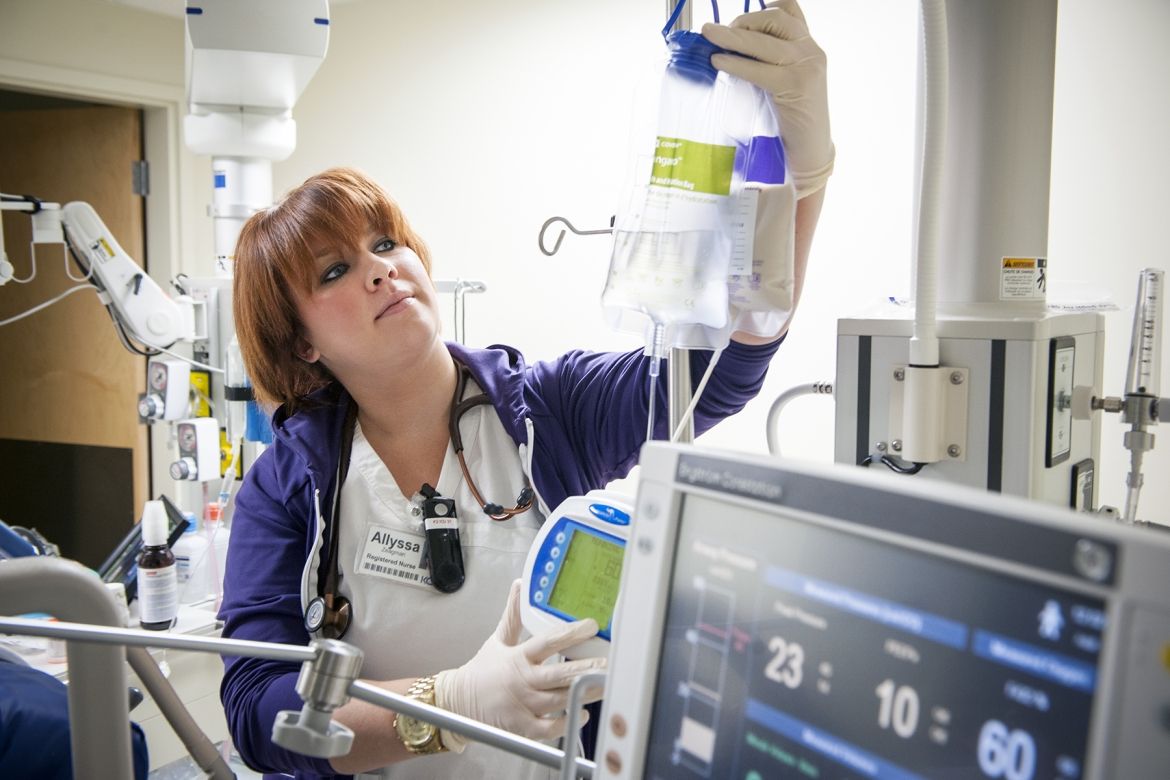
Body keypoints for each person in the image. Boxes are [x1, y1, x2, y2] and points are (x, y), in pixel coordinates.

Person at [218, 2, 832, 777]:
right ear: (302, 341)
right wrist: (450, 704)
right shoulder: (288, 487)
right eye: (336, 271)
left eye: (385, 242)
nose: (380, 267)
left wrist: (803, 181)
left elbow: (720, 368)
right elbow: (255, 709)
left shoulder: (546, 411)